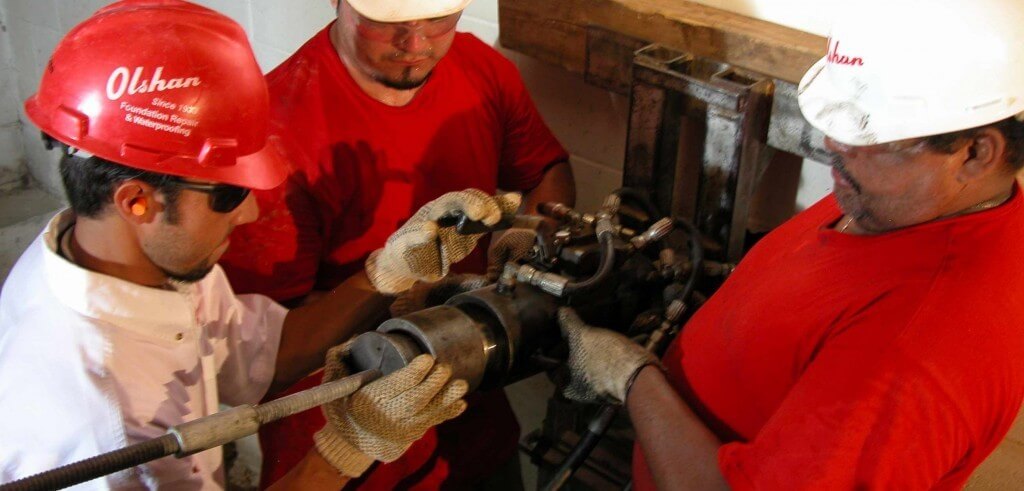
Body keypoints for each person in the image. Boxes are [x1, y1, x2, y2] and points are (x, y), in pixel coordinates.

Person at [0, 2, 473, 488]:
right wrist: (344, 450)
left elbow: (264, 358)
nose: (248, 214)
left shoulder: (137, 262)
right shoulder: (104, 424)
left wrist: (383, 276)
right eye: (228, 194)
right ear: (137, 202)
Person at [555, 0, 1024, 488]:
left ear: (976, 153)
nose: (833, 145)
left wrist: (633, 379)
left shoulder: (914, 355)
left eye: (869, 131)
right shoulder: (901, 202)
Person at [218, 0, 575, 486]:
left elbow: (544, 169)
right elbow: (271, 364)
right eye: (388, 24)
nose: (417, 44)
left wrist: (529, 237)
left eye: (438, 18)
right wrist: (387, 289)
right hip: (347, 444)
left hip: (472, 408)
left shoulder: (479, 69)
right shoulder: (278, 131)